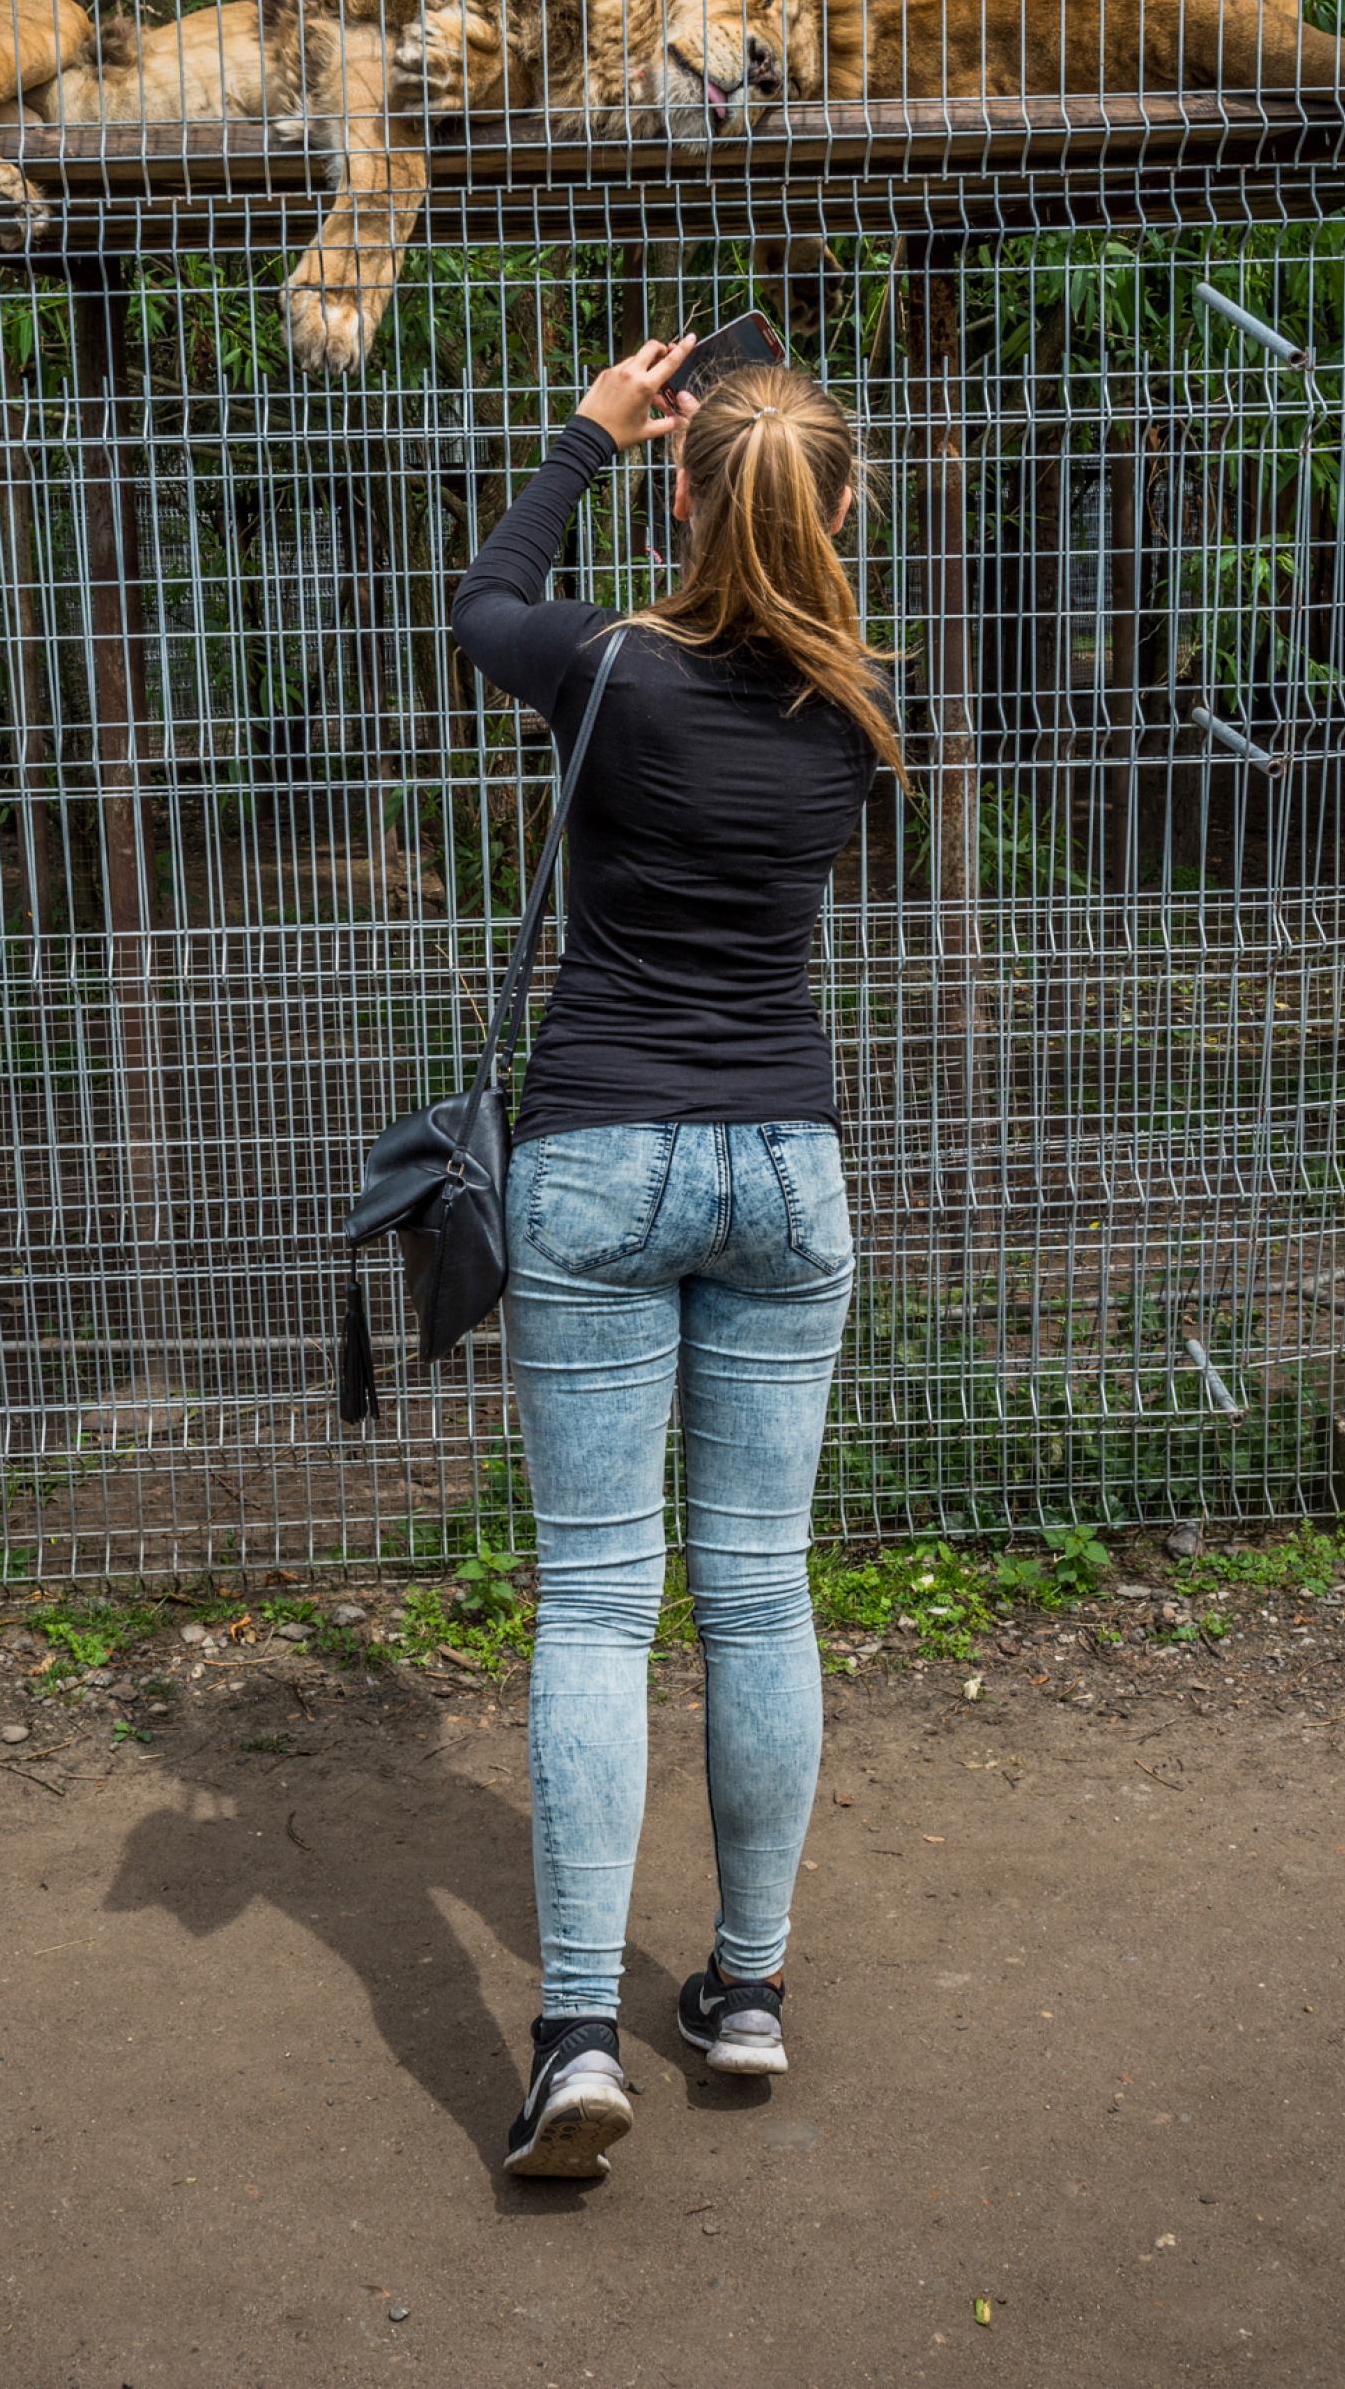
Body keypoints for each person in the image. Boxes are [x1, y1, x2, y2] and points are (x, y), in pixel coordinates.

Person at [450, 334, 906, 2181]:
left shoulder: (610, 669)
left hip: (599, 1159)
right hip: (788, 1173)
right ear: (849, 510)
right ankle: (745, 1990)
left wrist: (585, 434)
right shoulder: (864, 715)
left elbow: (486, 602)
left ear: (686, 493)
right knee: (760, 1591)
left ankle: (572, 2034)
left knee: (593, 1599)